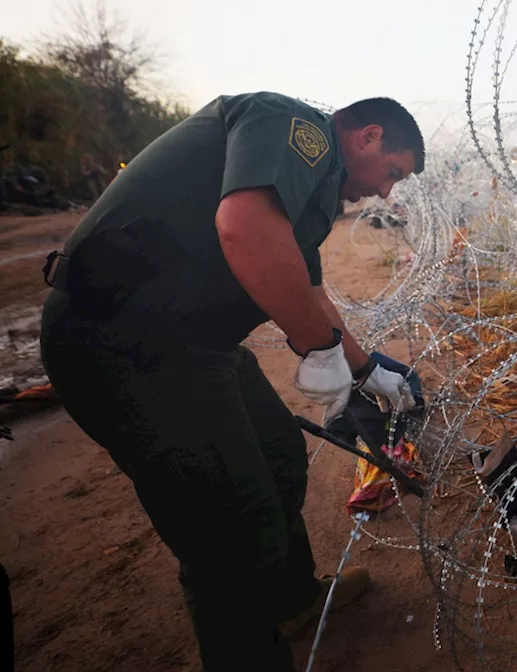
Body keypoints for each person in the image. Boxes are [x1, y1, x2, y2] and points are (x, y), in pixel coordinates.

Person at [39, 92, 424, 671]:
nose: (386, 192)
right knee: (227, 527)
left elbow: (311, 295)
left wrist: (365, 370)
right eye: (392, 173)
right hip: (120, 341)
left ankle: (292, 602)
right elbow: (243, 230)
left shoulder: (309, 195)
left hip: (190, 343)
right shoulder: (295, 128)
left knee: (276, 457)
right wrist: (318, 351)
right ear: (368, 137)